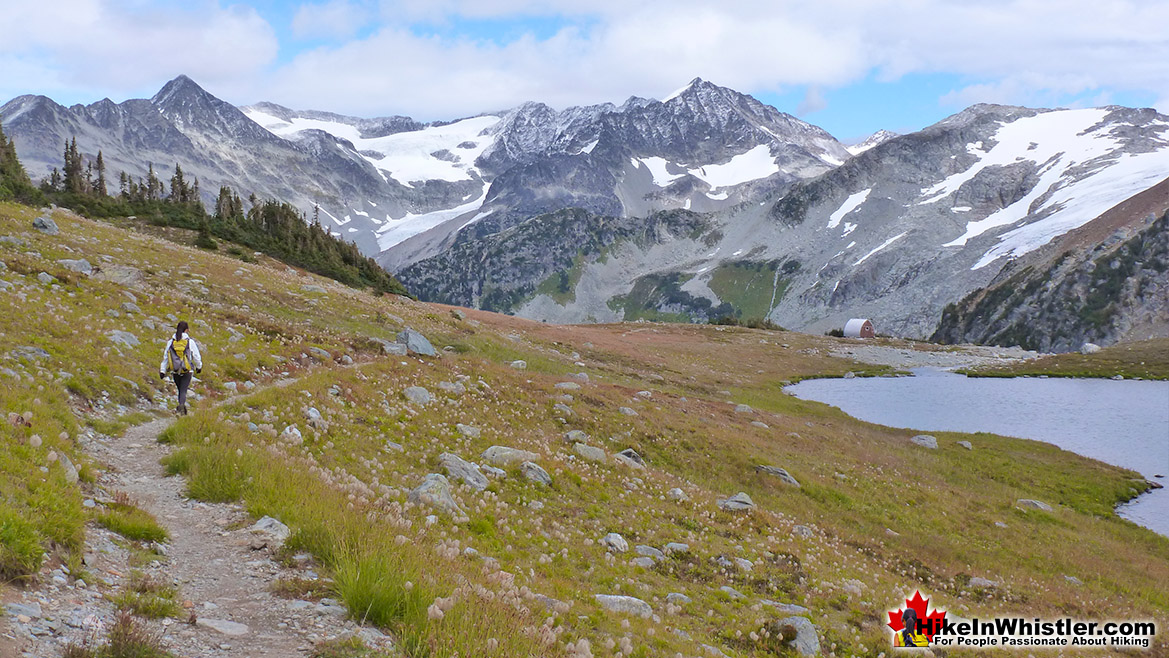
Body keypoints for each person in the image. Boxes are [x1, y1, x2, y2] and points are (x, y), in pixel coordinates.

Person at [159, 321, 202, 415]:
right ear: (186, 330)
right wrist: (199, 367)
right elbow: (196, 356)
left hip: (175, 370)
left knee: (180, 390)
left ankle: (181, 408)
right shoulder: (190, 342)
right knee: (183, 390)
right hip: (187, 370)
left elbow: (166, 357)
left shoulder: (171, 342)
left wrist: (162, 370)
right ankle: (181, 408)